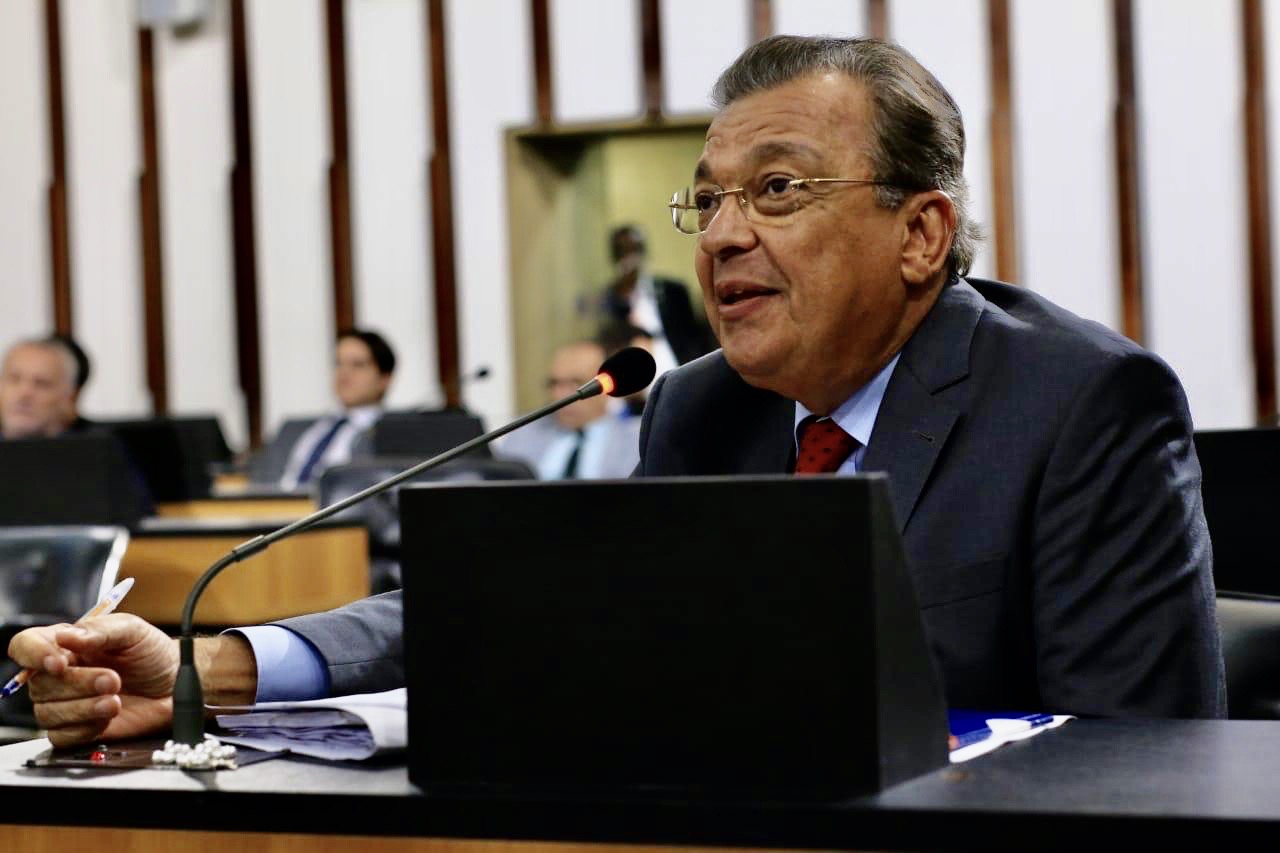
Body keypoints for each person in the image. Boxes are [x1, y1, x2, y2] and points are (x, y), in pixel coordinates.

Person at [9, 36, 1224, 748]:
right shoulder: (701, 408)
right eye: (708, 200)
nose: (723, 237)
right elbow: (519, 609)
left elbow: (1138, 761)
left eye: (779, 191)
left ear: (920, 232)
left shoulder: (1079, 404)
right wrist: (198, 668)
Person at [251, 329, 397, 490]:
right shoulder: (292, 429)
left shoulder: (391, 436)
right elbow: (258, 483)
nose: (344, 373)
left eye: (357, 365)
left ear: (385, 378)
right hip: (272, 510)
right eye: (338, 364)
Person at [495, 338, 641, 480]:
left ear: (606, 387)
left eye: (575, 383)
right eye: (554, 383)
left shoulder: (636, 442)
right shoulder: (523, 432)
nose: (560, 395)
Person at [591, 224, 715, 376]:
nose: (629, 257)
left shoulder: (672, 291)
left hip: (680, 363)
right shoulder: (609, 299)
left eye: (634, 249)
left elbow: (694, 336)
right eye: (622, 251)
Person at [0, 337, 85, 440]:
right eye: (14, 379)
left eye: (41, 383)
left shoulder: (97, 452)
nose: (24, 393)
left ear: (70, 398)